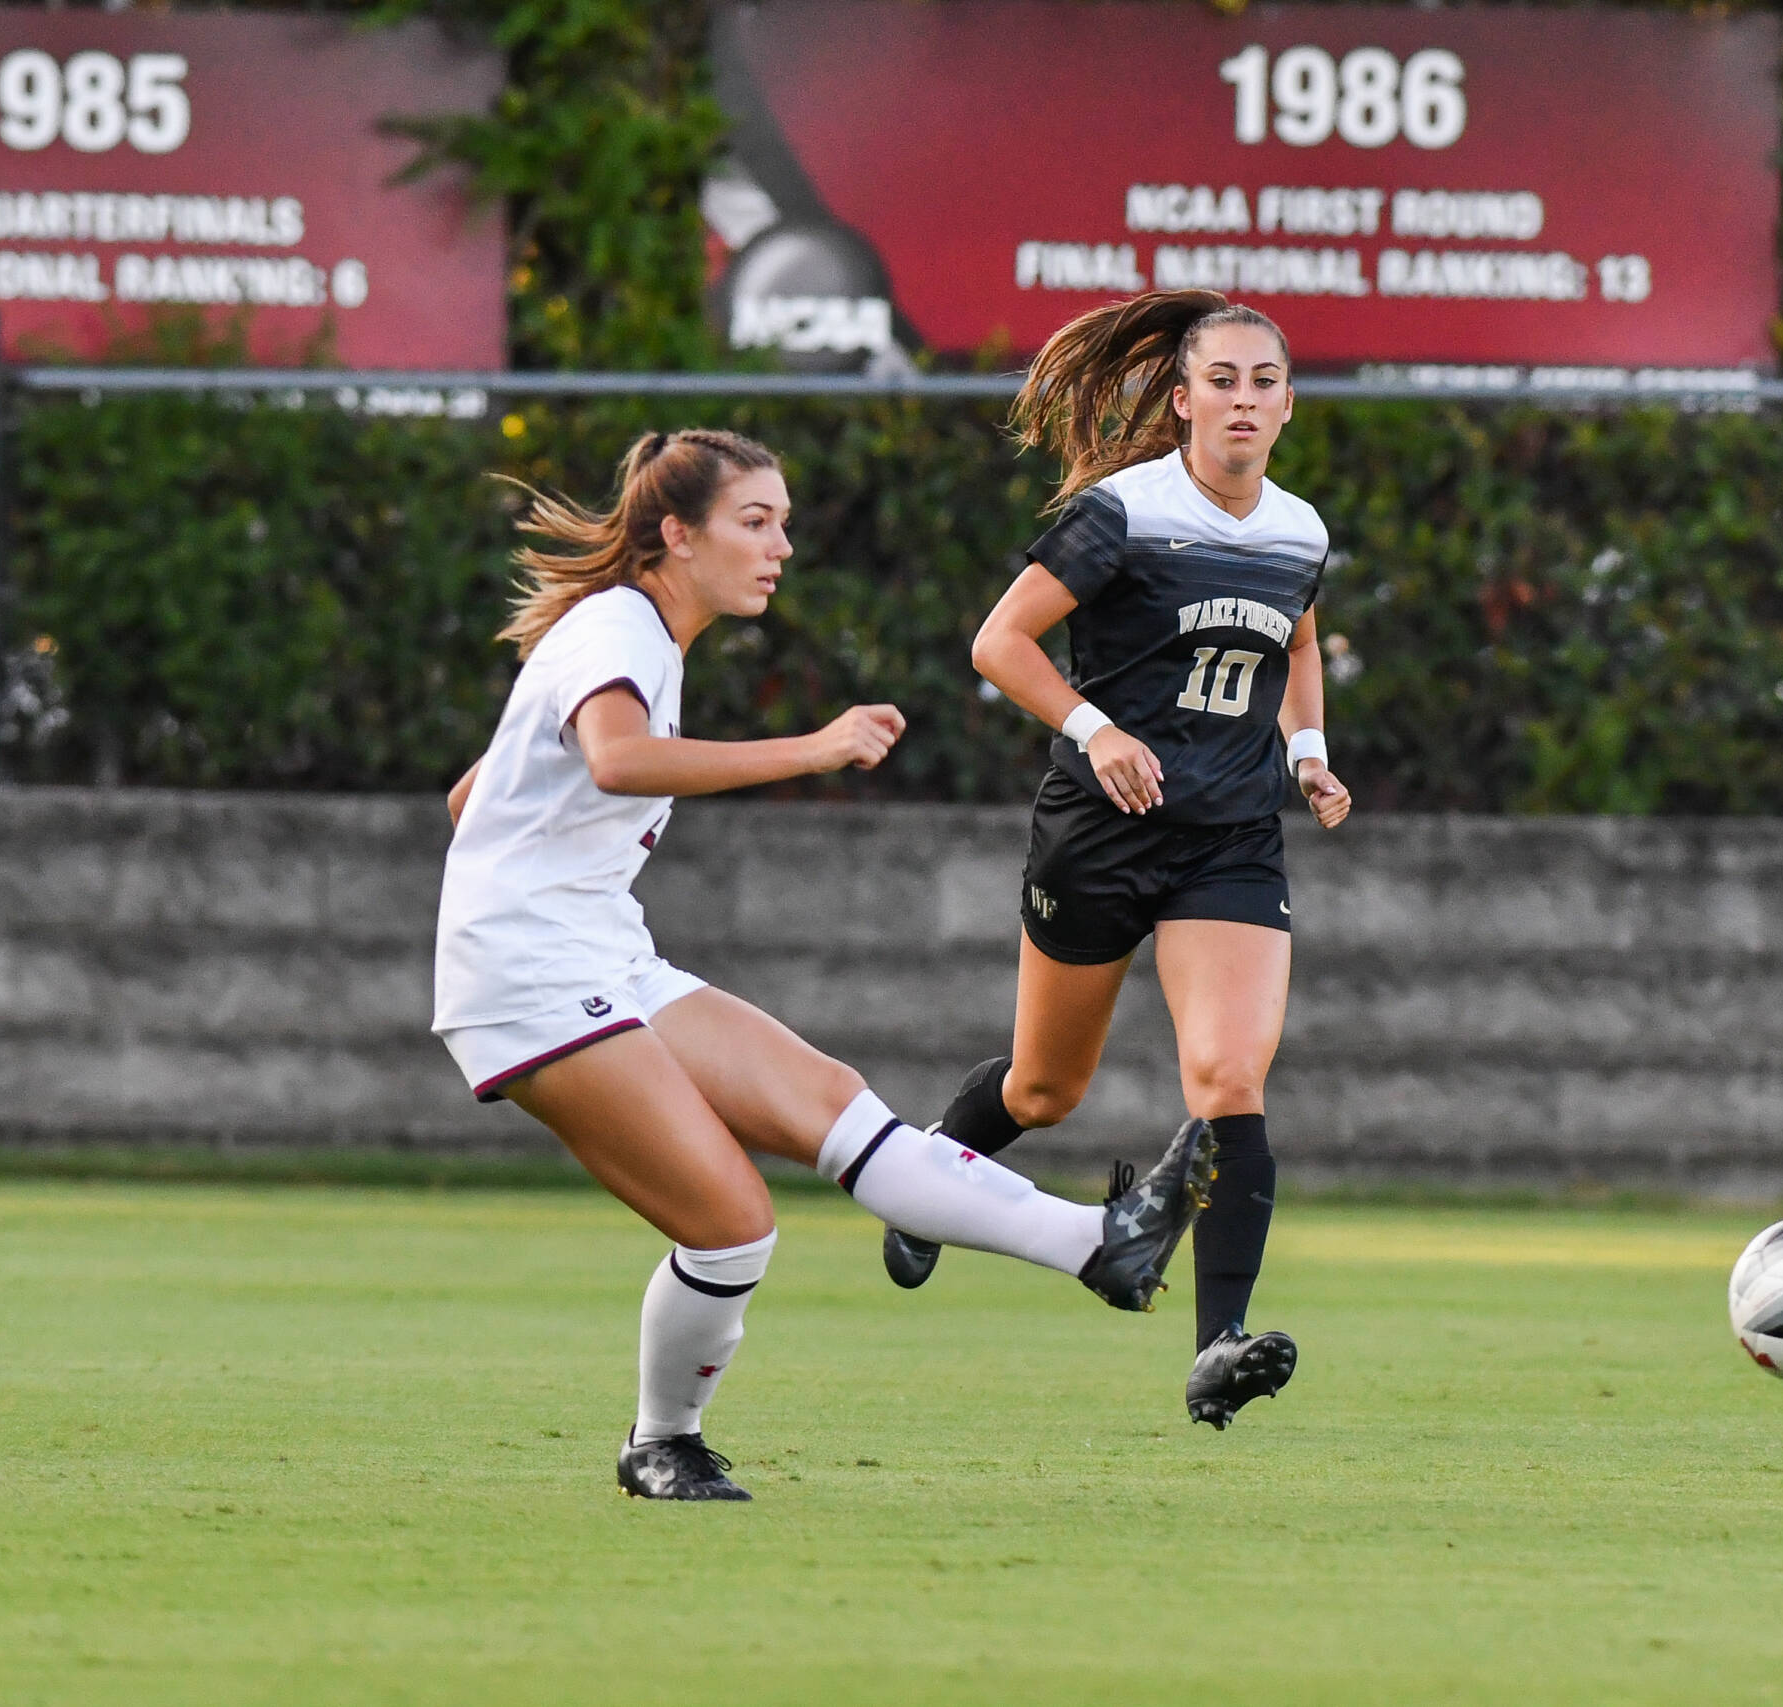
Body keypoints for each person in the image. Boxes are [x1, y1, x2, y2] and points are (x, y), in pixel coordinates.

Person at [435, 428, 1219, 1501]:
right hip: (526, 974)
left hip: (597, 950)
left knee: (832, 1103)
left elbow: (470, 799)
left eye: (784, 523)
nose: (781, 546)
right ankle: (664, 1442)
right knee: (731, 1225)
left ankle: (1104, 1244)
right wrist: (812, 747)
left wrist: (525, 811)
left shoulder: (631, 637)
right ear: (677, 534)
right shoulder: (618, 624)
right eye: (754, 522)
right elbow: (615, 761)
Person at [877, 290, 1351, 1429]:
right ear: (1181, 402)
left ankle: (1217, 1345)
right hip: (1100, 829)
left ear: (1288, 404)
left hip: (1230, 839)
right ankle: (922, 1178)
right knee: (1045, 1088)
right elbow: (998, 641)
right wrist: (1099, 732)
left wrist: (1308, 751)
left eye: (1264, 381)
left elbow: (1292, 639)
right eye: (1222, 381)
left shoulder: (1300, 529)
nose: (1244, 399)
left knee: (1229, 1082)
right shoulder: (1120, 513)